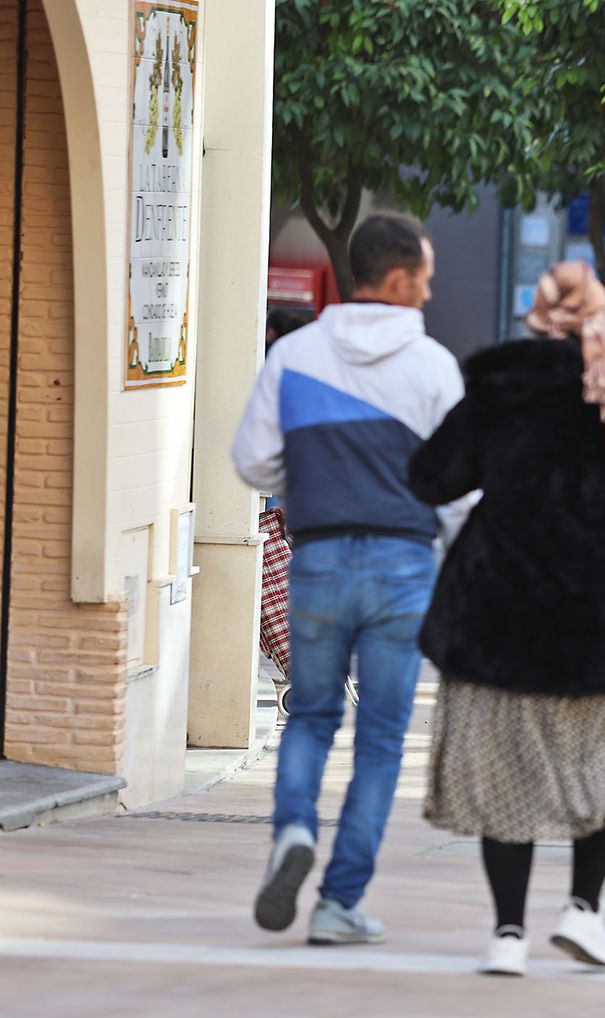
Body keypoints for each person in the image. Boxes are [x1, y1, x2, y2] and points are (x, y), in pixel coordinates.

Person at [408, 263, 605, 976]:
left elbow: (431, 476)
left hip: (501, 621)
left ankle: (507, 934)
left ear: (536, 320)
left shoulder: (500, 391)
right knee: (603, 774)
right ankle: (583, 910)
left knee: (506, 780)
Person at [233, 214, 469, 945]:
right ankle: (339, 902)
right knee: (382, 738)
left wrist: (311, 477)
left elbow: (252, 461)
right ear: (396, 279)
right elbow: (460, 490)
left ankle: (293, 829)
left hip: (319, 557)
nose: (429, 291)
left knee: (310, 715)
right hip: (403, 566)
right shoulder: (433, 366)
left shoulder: (294, 354)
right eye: (424, 278)